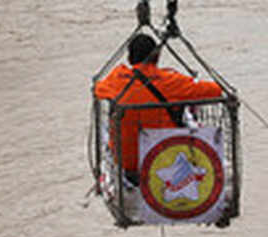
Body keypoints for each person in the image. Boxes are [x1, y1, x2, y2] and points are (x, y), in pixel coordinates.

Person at [93, 34, 223, 184]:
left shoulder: (116, 79)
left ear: (129, 58)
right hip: (163, 159)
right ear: (157, 56)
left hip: (127, 163)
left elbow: (98, 89)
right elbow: (214, 91)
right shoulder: (171, 82)